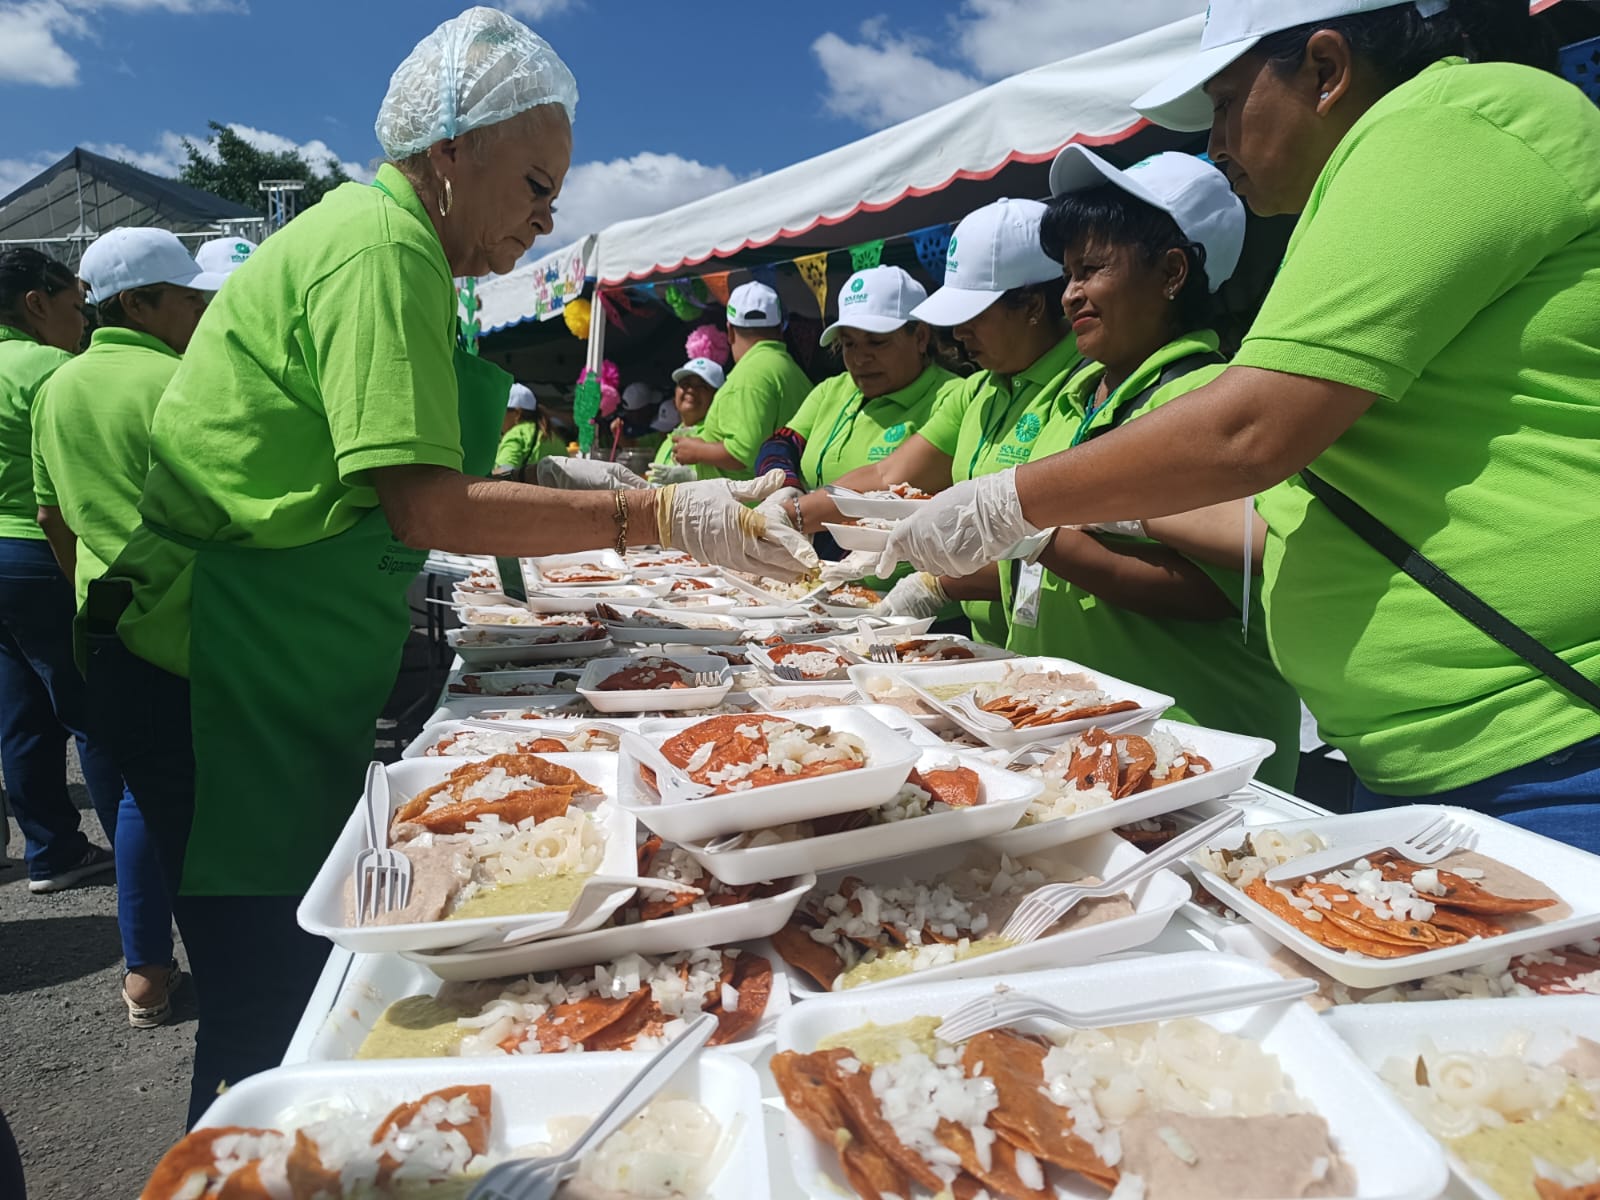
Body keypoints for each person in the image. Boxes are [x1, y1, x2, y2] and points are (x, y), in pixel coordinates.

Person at [87, 6, 814, 1125]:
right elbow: (427, 501)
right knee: (267, 1001)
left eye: (553, 197)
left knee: (291, 981)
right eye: (531, 185)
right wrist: (658, 513)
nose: (541, 218)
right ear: (448, 151)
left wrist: (601, 490)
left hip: (281, 650)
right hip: (218, 658)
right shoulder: (380, 250)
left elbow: (429, 457)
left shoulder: (411, 258)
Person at [876, 0, 1600, 847]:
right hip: (1435, 750)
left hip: (1546, 744)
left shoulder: (1449, 121)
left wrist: (1013, 506)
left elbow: (1249, 431)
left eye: (1225, 104)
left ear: (1326, 71)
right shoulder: (1377, 172)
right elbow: (1288, 513)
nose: (1214, 146)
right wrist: (1056, 519)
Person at [1002, 147, 1299, 786]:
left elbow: (1214, 595)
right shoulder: (1072, 397)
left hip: (1188, 746)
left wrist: (1041, 535)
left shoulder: (1208, 400)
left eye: (1091, 269)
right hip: (1073, 733)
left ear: (1171, 273)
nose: (1070, 294)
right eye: (1066, 273)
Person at [31, 229, 221, 1025]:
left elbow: (51, 515)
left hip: (102, 627)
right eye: (184, 298)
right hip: (190, 631)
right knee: (214, 805)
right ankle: (226, 963)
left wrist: (94, 587)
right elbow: (223, 512)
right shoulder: (180, 382)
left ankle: (145, 969)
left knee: (140, 799)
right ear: (139, 303)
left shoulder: (58, 389)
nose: (197, 312)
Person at [792, 199, 1081, 645]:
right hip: (1002, 644)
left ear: (1032, 305)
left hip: (1072, 650)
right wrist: (786, 515)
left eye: (973, 315)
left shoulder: (1089, 385)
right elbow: (887, 476)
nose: (959, 332)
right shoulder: (981, 388)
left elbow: (1061, 540)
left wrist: (937, 584)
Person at [0, 247, 123, 893]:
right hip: (37, 551)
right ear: (36, 304)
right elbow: (58, 505)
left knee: (20, 714)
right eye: (76, 309)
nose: (83, 324)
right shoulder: (55, 371)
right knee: (88, 711)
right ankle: (135, 850)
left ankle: (50, 850)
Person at [754, 265, 959, 592]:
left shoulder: (951, 398)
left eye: (876, 342)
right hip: (821, 585)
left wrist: (790, 513)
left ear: (920, 337)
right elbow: (782, 444)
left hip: (908, 595)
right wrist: (784, 483)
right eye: (849, 344)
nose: (860, 359)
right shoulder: (834, 390)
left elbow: (885, 483)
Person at [669, 282, 811, 479]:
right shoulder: (791, 369)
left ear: (730, 331)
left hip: (752, 506)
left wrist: (698, 451)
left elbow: (743, 454)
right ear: (780, 328)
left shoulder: (748, 376)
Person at [648, 357, 724, 484]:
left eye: (702, 386)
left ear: (717, 396)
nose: (691, 390)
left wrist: (694, 477)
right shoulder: (669, 440)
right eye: (685, 384)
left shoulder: (718, 434)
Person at [492, 382, 564, 477]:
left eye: (501, 410)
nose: (497, 415)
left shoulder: (516, 434)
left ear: (517, 413)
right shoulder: (552, 435)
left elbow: (506, 470)